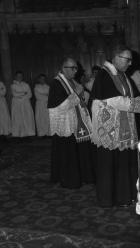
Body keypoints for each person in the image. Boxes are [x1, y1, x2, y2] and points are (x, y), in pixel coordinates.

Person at [90, 44, 140, 207]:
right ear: (116, 57)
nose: (130, 63)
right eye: (127, 60)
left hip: (124, 126)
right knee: (109, 164)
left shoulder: (123, 75)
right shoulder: (104, 75)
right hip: (110, 129)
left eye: (130, 60)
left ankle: (124, 196)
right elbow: (113, 100)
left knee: (123, 162)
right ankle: (108, 198)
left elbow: (132, 95)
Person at [47, 57, 93, 188]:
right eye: (72, 68)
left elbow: (80, 100)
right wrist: (76, 94)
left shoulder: (71, 81)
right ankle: (69, 179)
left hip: (77, 123)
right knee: (68, 153)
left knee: (80, 151)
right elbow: (57, 108)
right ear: (63, 68)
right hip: (65, 125)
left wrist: (80, 94)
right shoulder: (57, 83)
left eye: (76, 68)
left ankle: (84, 175)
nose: (75, 71)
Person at [11, 71, 35, 138]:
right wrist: (24, 93)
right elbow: (14, 94)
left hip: (25, 103)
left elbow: (30, 94)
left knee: (28, 117)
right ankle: (18, 133)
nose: (19, 77)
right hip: (17, 104)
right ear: (15, 77)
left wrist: (21, 96)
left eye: (21, 76)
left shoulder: (26, 85)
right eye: (18, 76)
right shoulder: (13, 85)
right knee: (18, 118)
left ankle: (29, 133)